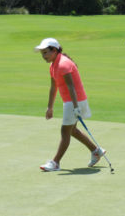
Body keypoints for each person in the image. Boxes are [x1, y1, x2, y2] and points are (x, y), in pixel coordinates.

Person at [35, 38, 106, 171]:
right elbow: (53, 87)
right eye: (42, 53)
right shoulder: (53, 65)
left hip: (75, 101)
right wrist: (49, 107)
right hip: (71, 101)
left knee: (65, 131)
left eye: (46, 53)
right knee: (72, 130)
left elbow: (71, 87)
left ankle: (55, 163)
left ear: (54, 50)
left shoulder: (63, 64)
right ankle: (95, 150)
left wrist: (76, 107)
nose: (44, 56)